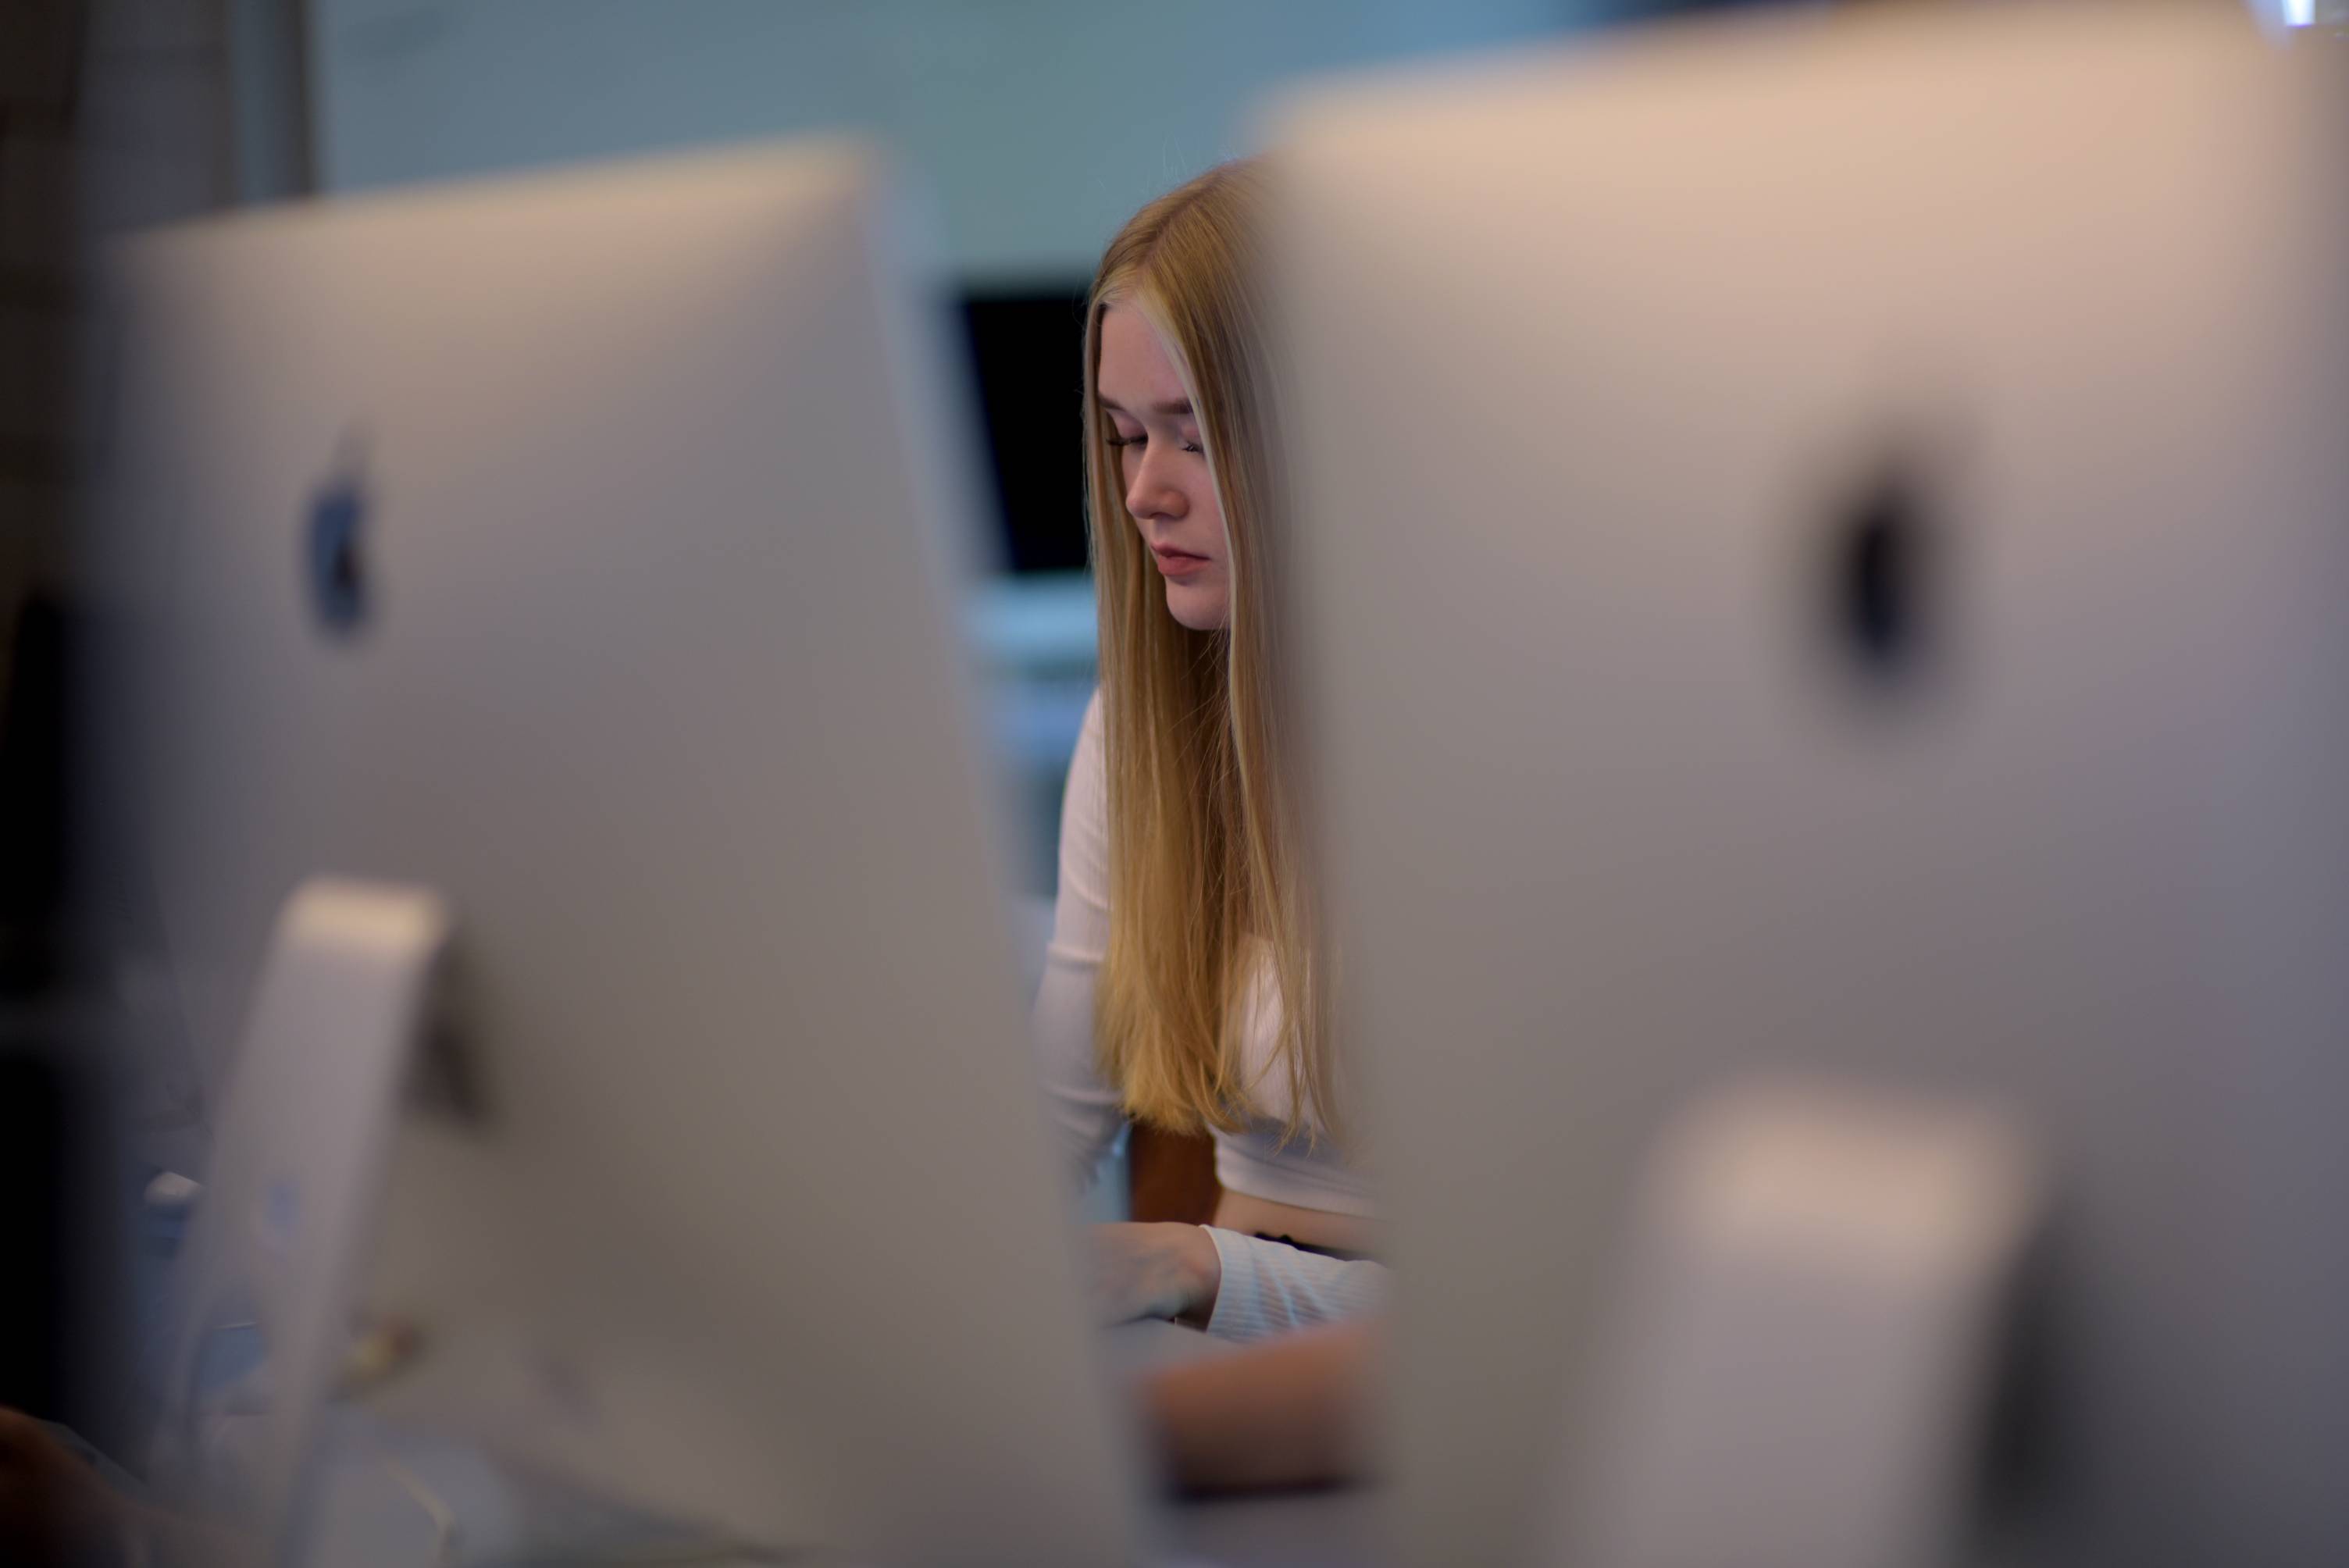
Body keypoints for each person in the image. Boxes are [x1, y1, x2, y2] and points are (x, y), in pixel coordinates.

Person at [1035, 159, 1388, 1351]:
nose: (1143, 491)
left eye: (1192, 436)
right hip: (1219, 1356)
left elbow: (1550, 1320)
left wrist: (1199, 1264)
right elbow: (1047, 1129)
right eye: (1125, 436)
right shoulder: (1141, 731)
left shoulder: (1503, 761)